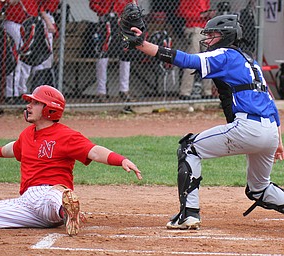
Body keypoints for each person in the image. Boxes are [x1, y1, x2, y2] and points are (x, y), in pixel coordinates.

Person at [121, 14, 284, 229]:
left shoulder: (226, 54)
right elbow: (271, 102)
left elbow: (185, 60)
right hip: (270, 132)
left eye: (213, 35)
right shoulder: (250, 61)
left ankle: (189, 214)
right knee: (259, 188)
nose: (208, 40)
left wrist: (143, 45)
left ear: (227, 36)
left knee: (189, 148)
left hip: (249, 128)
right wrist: (278, 141)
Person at [0, 85, 142, 235]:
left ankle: (67, 211)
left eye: (35, 103)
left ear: (49, 108)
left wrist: (121, 160)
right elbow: (12, 148)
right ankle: (68, 212)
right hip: (26, 204)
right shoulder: (27, 134)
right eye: (30, 102)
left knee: (53, 197)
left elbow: (94, 151)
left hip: (51, 192)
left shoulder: (65, 135)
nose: (29, 106)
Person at [89, 0, 134, 107]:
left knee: (125, 56)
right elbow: (93, 4)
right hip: (106, 23)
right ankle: (101, 92)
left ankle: (124, 90)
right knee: (103, 55)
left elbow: (133, 5)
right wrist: (105, 12)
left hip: (123, 24)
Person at [176, 0, 215, 100]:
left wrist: (209, 14)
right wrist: (200, 15)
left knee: (208, 61)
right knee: (192, 60)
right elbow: (181, 12)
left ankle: (207, 91)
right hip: (193, 27)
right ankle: (185, 92)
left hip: (205, 29)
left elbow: (207, 11)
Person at [3, 0, 39, 104]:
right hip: (14, 23)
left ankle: (21, 92)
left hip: (29, 24)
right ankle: (11, 94)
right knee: (16, 60)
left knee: (26, 60)